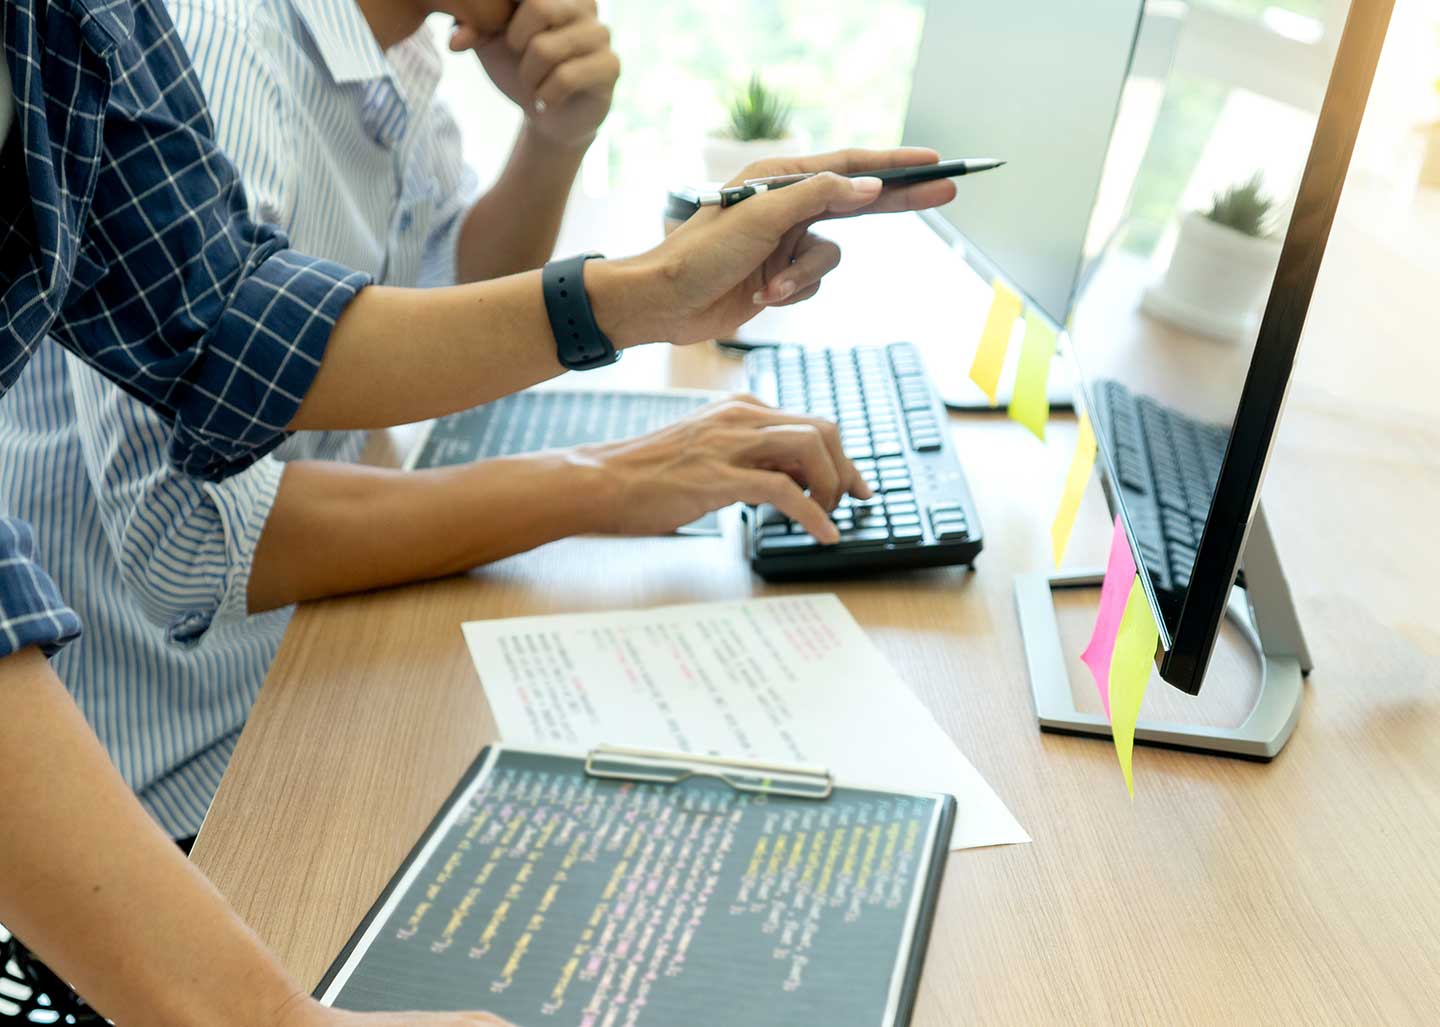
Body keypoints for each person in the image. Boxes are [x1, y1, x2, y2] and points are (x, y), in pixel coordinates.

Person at [0, 0, 957, 1024]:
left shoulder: (362, 52)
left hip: (289, 689)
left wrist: (639, 268)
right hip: (175, 788)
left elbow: (242, 327)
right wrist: (605, 478)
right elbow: (192, 538)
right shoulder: (224, 43)